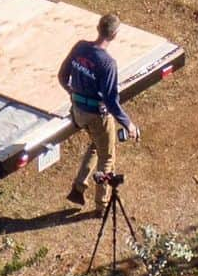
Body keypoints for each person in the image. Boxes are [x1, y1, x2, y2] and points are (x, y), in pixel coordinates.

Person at [57, 13, 140, 214]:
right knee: (107, 158)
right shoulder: (107, 63)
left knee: (97, 144)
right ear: (115, 35)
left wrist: (74, 94)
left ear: (98, 28)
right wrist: (128, 124)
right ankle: (102, 205)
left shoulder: (80, 48)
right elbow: (111, 100)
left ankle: (79, 187)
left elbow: (62, 76)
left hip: (78, 112)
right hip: (97, 115)